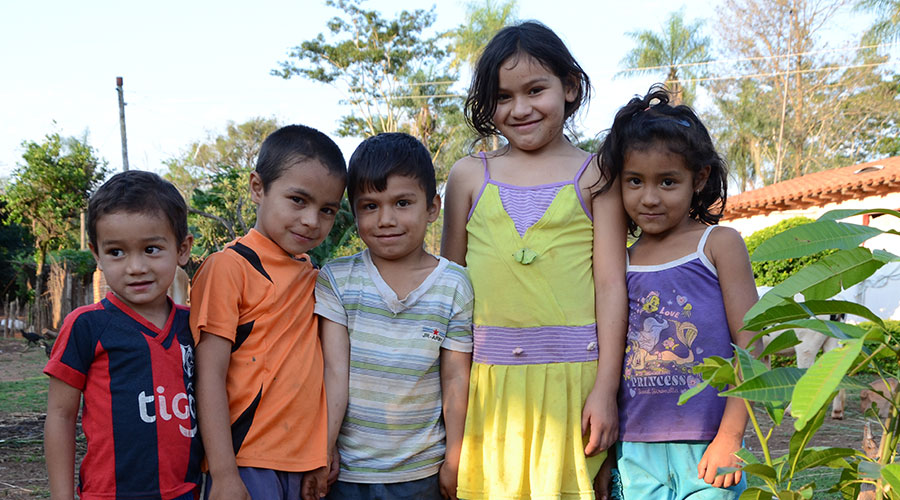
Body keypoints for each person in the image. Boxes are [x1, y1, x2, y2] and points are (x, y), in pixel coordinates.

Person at [441, 21, 627, 499]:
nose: (520, 108)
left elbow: (611, 285)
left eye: (535, 90)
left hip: (574, 387)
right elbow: (449, 294)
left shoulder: (597, 174)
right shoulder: (467, 177)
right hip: (487, 392)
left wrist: (605, 390)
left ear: (570, 87)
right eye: (503, 97)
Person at [600, 85, 757, 499]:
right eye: (635, 181)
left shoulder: (718, 245)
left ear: (699, 178)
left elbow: (753, 343)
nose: (649, 198)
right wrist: (610, 454)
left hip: (709, 445)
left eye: (668, 181)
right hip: (635, 448)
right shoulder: (619, 261)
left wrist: (731, 435)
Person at [190, 125, 347, 500]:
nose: (312, 220)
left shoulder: (314, 276)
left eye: (327, 210)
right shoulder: (230, 268)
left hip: (302, 464)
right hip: (246, 462)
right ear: (258, 188)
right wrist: (224, 474)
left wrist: (321, 451)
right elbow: (209, 375)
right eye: (298, 200)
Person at [315, 133, 474, 500]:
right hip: (347, 473)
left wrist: (454, 458)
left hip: (422, 471)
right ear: (354, 211)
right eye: (370, 206)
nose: (386, 219)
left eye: (402, 203)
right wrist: (323, 449)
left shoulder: (453, 284)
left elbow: (455, 377)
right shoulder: (337, 279)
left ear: (432, 208)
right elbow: (334, 372)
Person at [44, 170, 201, 500]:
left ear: (182, 249)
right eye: (116, 252)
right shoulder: (86, 326)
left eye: (151, 249)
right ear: (97, 255)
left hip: (185, 491)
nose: (135, 267)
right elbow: (60, 416)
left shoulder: (196, 326)